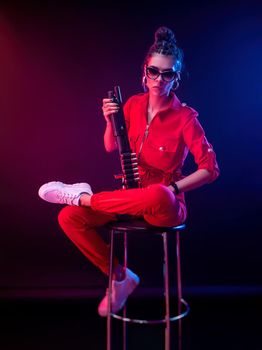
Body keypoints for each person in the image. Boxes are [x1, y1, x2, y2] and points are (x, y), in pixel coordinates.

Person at [38, 26, 220, 317]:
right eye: (154, 71)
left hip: (165, 203)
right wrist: (110, 120)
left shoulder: (185, 117)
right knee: (68, 216)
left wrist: (174, 190)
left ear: (176, 78)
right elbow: (111, 146)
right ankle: (120, 277)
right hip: (130, 195)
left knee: (158, 194)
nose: (159, 79)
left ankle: (83, 197)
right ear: (144, 71)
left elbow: (210, 170)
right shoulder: (133, 104)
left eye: (168, 73)